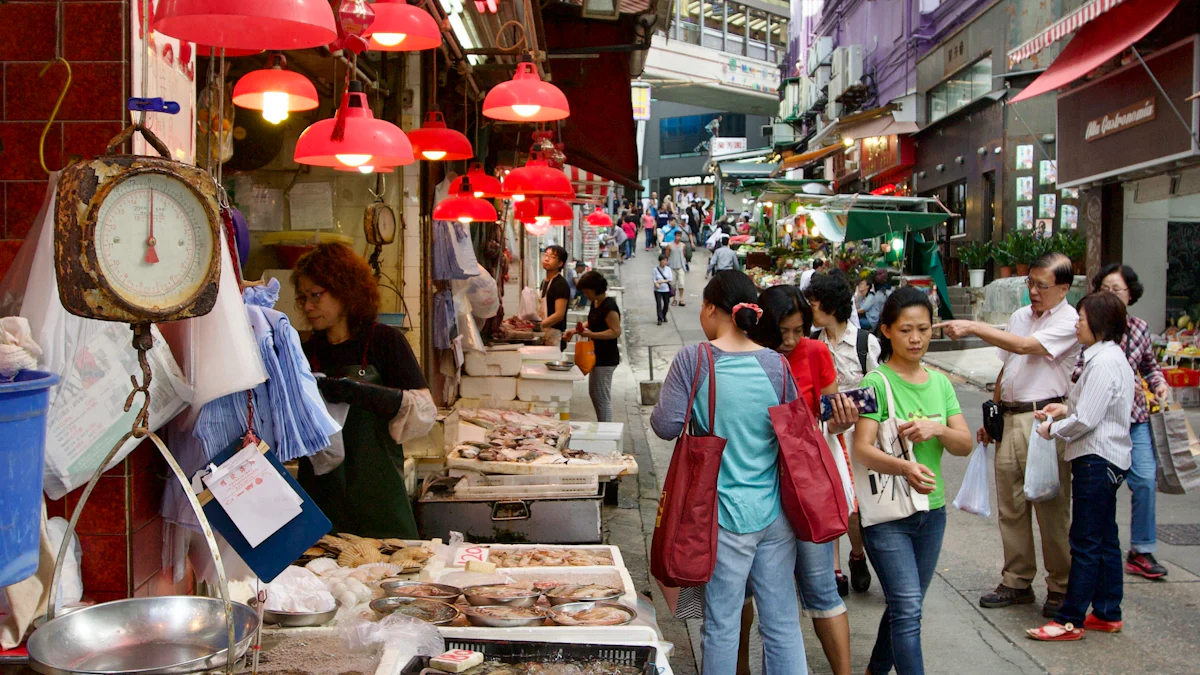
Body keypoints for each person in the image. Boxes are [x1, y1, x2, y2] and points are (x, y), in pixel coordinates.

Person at [651, 271, 810, 675]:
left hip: (722, 515)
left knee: (721, 625)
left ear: (709, 308)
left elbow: (666, 426)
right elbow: (795, 431)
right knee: (782, 623)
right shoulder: (775, 363)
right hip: (775, 514)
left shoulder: (695, 359)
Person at [937, 252, 1078, 618]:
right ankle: (1017, 579)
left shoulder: (1068, 321)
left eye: (1041, 286)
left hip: (1045, 420)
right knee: (1011, 506)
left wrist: (972, 327)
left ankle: (1061, 584)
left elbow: (1025, 347)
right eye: (1030, 283)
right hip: (1012, 418)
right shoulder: (1019, 317)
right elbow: (1007, 367)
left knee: (1050, 506)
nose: (1033, 291)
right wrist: (994, 414)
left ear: (1063, 288)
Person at [852, 287, 974, 674]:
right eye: (906, 330)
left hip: (931, 513)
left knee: (907, 606)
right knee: (907, 607)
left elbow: (964, 444)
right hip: (888, 517)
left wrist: (936, 428)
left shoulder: (940, 383)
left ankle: (875, 670)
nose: (916, 338)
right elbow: (863, 449)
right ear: (886, 330)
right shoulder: (875, 383)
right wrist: (904, 467)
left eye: (923, 329)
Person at [749, 284, 857, 675]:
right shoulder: (749, 357)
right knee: (751, 591)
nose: (791, 340)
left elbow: (828, 412)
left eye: (799, 330)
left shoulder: (816, 352)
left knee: (821, 587)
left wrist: (839, 419)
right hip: (757, 483)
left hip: (805, 481)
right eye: (784, 331)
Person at [293, 243, 436, 538]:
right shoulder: (301, 352)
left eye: (316, 295)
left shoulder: (385, 341)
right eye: (303, 298)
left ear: (344, 291)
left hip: (379, 498)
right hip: (321, 501)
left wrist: (358, 393)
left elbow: (423, 412)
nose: (308, 306)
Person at [1027, 292, 1136, 641]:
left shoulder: (1103, 362)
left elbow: (1087, 419)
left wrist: (1051, 429)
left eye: (1083, 319)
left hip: (1097, 459)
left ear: (1099, 325)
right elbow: (1089, 408)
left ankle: (1069, 620)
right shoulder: (1106, 357)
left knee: (1085, 541)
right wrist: (1063, 411)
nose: (1077, 324)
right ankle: (1107, 611)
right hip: (1106, 458)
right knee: (1104, 539)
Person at [1077, 264, 1170, 579]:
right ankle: (1103, 547)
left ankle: (1141, 550)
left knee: (1144, 479)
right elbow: (1078, 369)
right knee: (1103, 489)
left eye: (1116, 289)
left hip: (1136, 417)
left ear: (1130, 295)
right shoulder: (1091, 328)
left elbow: (1149, 364)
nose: (1110, 294)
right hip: (1101, 421)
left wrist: (1158, 383)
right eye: (1104, 288)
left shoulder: (1140, 328)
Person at [805, 273, 883, 597]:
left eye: (814, 302)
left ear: (831, 305)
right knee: (833, 502)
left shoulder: (865, 342)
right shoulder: (811, 342)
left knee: (860, 506)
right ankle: (835, 569)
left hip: (861, 438)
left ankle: (857, 554)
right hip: (825, 436)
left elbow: (879, 391)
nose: (810, 307)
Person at [565, 271, 622, 422]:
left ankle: (606, 428)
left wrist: (592, 334)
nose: (586, 294)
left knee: (602, 397)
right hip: (596, 355)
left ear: (596, 289)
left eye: (587, 291)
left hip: (606, 358)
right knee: (595, 393)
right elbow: (591, 322)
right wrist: (576, 330)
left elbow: (616, 332)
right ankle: (603, 424)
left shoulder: (609, 307)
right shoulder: (596, 303)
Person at [539, 245, 571, 348]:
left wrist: (538, 326)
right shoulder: (544, 282)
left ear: (560, 263)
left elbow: (559, 315)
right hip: (544, 333)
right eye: (545, 255)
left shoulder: (561, 284)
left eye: (552, 257)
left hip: (555, 336)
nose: (546, 259)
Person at [667, 235, 688, 307]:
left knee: (681, 283)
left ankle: (681, 299)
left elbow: (684, 254)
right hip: (672, 267)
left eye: (679, 236)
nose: (678, 238)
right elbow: (667, 255)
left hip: (680, 266)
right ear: (674, 236)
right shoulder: (670, 245)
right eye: (677, 236)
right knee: (673, 284)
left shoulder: (683, 245)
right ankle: (674, 299)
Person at [654, 253, 674, 325]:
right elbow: (654, 279)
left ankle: (663, 315)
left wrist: (661, 281)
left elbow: (670, 279)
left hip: (666, 289)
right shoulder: (655, 269)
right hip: (658, 290)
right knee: (659, 304)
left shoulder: (668, 269)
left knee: (666, 304)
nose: (665, 262)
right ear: (660, 261)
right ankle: (659, 318)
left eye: (666, 260)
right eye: (663, 260)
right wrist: (656, 283)